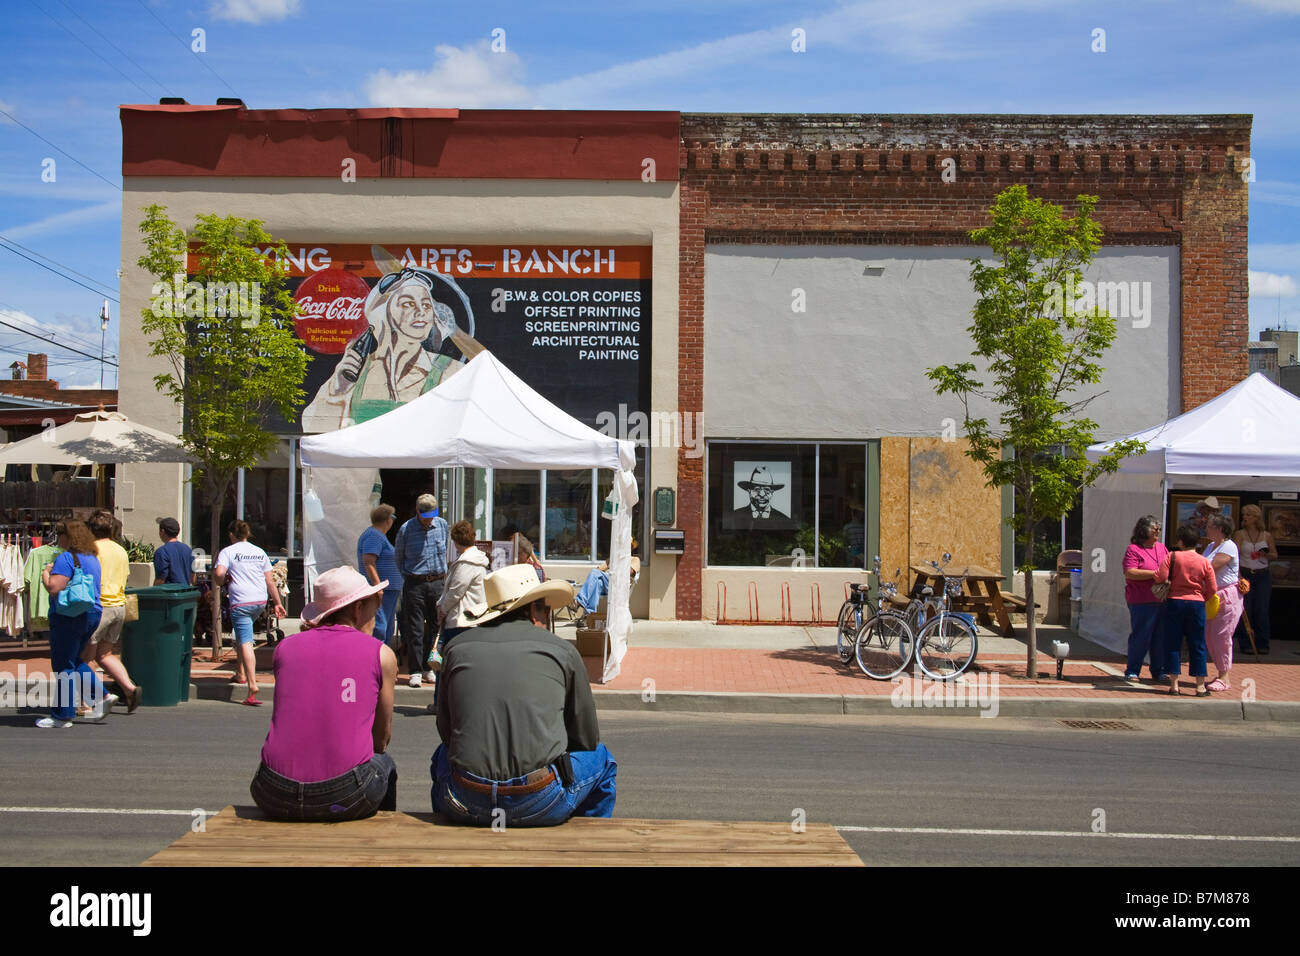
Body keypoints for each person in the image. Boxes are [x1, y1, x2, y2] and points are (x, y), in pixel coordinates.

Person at [430, 565, 617, 826]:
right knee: (603, 758)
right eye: (546, 608)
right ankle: (589, 842)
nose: (548, 616)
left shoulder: (455, 648)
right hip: (538, 799)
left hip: (466, 796)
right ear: (532, 609)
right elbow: (586, 737)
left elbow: (446, 732)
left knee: (441, 755)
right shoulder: (561, 650)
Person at [250, 567, 398, 821]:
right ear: (356, 608)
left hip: (273, 789)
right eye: (375, 605)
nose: (377, 614)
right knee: (384, 763)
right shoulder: (380, 653)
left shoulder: (285, 649)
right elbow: (381, 739)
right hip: (343, 793)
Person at [301, 267, 466, 430]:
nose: (421, 312)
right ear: (382, 314)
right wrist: (336, 393)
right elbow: (312, 430)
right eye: (408, 303)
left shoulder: (451, 370)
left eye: (426, 305)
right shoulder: (357, 372)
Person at [37, 520, 115, 728]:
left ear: (69, 537)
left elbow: (54, 587)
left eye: (60, 534)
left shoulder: (66, 558)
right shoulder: (91, 558)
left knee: (63, 665)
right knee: (74, 661)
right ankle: (102, 696)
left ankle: (63, 716)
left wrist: (46, 574)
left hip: (68, 615)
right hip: (91, 613)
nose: (58, 538)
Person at [214, 520, 286, 706]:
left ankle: (253, 685)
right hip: (259, 601)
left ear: (231, 534)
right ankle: (241, 673)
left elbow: (220, 573)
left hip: (241, 601)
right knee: (242, 635)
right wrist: (277, 603)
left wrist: (220, 580)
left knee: (245, 642)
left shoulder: (227, 552)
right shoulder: (258, 551)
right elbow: (270, 581)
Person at [1153, 524, 1218, 697]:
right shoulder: (1204, 561)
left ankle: (1174, 684)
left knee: (1173, 642)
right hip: (1196, 604)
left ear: (1181, 541)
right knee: (1197, 643)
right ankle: (1200, 686)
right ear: (1197, 542)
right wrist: (1202, 595)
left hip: (1174, 602)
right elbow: (1212, 588)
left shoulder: (1172, 556)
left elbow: (1160, 577)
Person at [87, 511, 142, 713]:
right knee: (106, 654)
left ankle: (91, 700)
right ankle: (129, 687)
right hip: (118, 605)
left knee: (87, 658)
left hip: (99, 605)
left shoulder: (92, 550)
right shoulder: (120, 550)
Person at [394, 493, 449, 688]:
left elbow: (447, 552)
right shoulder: (406, 529)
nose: (429, 519)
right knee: (415, 628)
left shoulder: (442, 525)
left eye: (432, 515)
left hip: (437, 582)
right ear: (417, 511)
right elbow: (398, 557)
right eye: (426, 515)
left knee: (435, 625)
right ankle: (415, 670)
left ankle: (428, 667)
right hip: (414, 582)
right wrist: (409, 576)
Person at [1121, 515, 1169, 683]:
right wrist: (1155, 574)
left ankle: (1158, 670)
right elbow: (1130, 572)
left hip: (1161, 599)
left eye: (1159, 529)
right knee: (1141, 636)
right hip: (1141, 600)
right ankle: (1133, 670)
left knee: (1159, 637)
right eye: (1154, 528)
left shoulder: (1162, 548)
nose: (1157, 531)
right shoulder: (1133, 549)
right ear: (1143, 530)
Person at [1202, 514, 1244, 693]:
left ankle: (1224, 677)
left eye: (1209, 526)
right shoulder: (1211, 545)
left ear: (1219, 529)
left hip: (1226, 596)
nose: (1206, 528)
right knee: (1210, 635)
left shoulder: (1229, 546)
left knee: (1222, 636)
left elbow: (1210, 567)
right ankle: (1220, 673)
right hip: (1213, 596)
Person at [436, 521, 489, 651]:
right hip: (469, 619)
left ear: (455, 541)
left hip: (461, 620)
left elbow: (456, 591)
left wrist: (442, 609)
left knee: (450, 660)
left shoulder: (467, 562)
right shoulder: (474, 559)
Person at [357, 504, 401, 647]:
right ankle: (377, 659)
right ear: (388, 520)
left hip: (387, 590)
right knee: (379, 627)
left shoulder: (378, 536)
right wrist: (378, 587)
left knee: (386, 627)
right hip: (380, 591)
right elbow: (368, 562)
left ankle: (383, 658)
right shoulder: (374, 536)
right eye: (393, 517)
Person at [1234, 504, 1274, 655]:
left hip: (1262, 574)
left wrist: (1265, 554)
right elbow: (1235, 555)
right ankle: (1246, 643)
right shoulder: (1239, 534)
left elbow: (1275, 554)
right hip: (1246, 573)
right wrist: (1238, 575)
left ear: (1256, 517)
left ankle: (1263, 643)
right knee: (1246, 609)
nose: (1245, 517)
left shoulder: (1267, 535)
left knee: (1262, 610)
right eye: (1244, 515)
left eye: (1248, 515)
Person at [574, 556, 641, 616]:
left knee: (596, 576)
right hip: (609, 585)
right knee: (598, 581)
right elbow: (599, 569)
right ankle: (590, 615)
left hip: (620, 587)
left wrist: (619, 562)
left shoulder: (634, 559)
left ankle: (580, 602)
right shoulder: (614, 557)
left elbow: (630, 571)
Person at [153, 517, 195, 586]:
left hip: (169, 595)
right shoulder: (188, 550)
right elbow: (193, 577)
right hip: (186, 594)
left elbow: (160, 580)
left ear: (162, 532)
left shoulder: (161, 552)